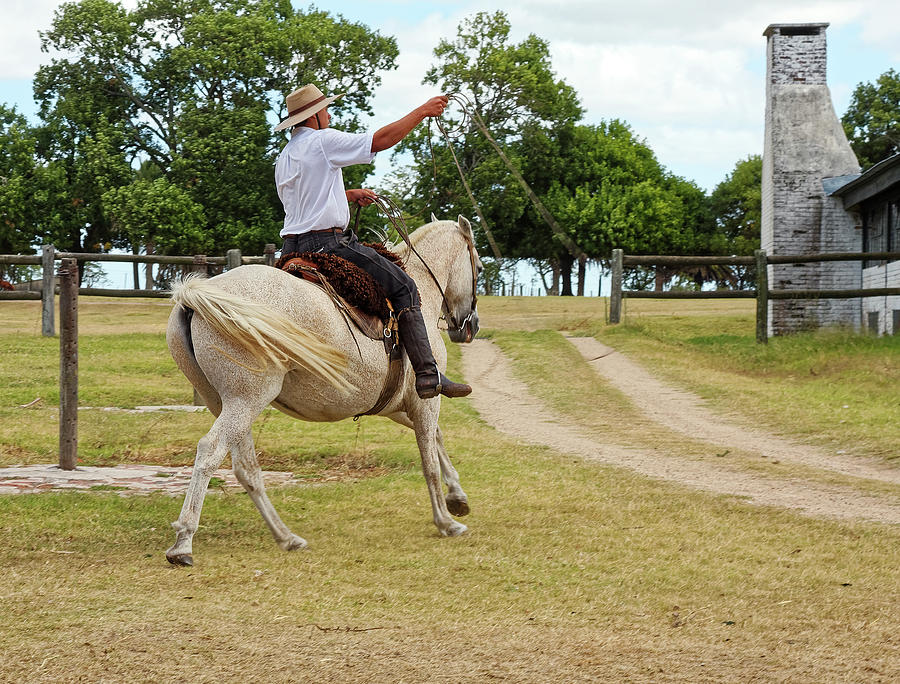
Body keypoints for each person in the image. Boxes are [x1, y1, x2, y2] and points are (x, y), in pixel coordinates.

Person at [274, 84, 472, 400]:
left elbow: (303, 202)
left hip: (291, 249)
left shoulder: (285, 155)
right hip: (327, 246)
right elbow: (379, 141)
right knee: (405, 286)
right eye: (325, 110)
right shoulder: (323, 141)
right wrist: (422, 111)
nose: (329, 114)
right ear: (314, 116)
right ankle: (427, 375)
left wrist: (348, 196)